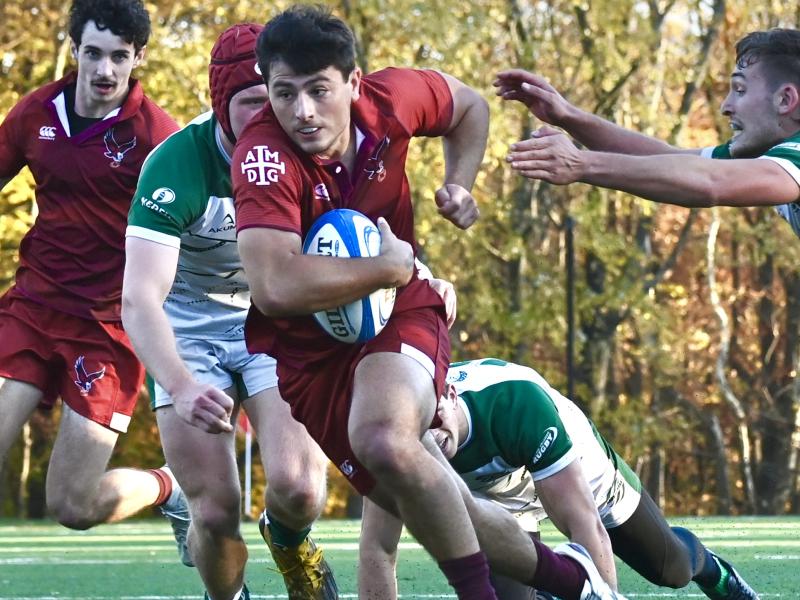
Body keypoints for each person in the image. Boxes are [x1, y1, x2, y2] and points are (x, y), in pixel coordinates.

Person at [233, 6, 625, 600]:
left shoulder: (395, 98)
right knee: (433, 497)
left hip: (401, 309)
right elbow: (275, 286)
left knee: (385, 439)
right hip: (309, 354)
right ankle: (575, 579)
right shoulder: (262, 155)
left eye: (319, 91)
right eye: (284, 94)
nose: (302, 111)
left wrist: (459, 182)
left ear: (354, 82)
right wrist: (383, 265)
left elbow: (471, 107)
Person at [122, 23, 338, 600]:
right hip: (188, 329)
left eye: (283, 97)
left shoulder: (311, 149)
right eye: (254, 101)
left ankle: (289, 541)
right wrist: (182, 385)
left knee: (299, 490)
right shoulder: (177, 165)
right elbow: (139, 299)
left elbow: (355, 243)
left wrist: (415, 278)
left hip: (272, 320)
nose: (276, 116)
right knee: (215, 511)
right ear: (223, 102)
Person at [0, 0, 189, 557]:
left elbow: (200, 224)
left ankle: (169, 486)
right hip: (32, 307)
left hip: (107, 328)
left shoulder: (158, 137)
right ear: (76, 50)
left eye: (119, 57)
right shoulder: (36, 112)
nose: (105, 70)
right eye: (94, 54)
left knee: (72, 507)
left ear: (138, 58)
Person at [359, 358, 759, 600]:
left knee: (669, 568)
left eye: (431, 417)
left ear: (447, 392)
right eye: (415, 427)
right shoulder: (392, 436)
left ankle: (712, 570)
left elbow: (583, 525)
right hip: (495, 500)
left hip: (573, 466)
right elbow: (378, 548)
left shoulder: (515, 403)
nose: (429, 437)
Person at [495, 28, 800, 216]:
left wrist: (581, 164)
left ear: (785, 100)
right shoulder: (775, 157)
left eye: (740, 90)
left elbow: (711, 182)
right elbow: (670, 160)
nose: (725, 107)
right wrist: (568, 116)